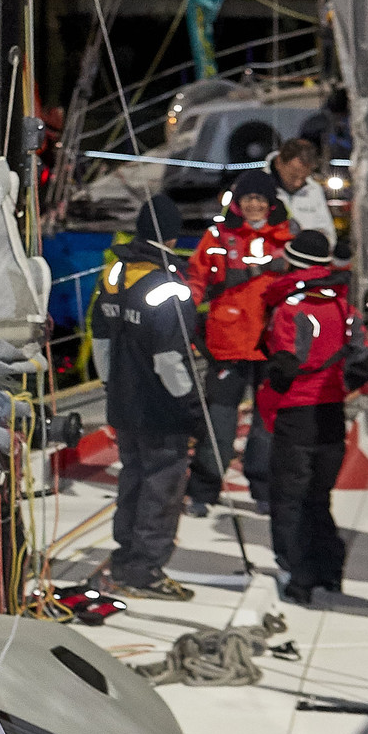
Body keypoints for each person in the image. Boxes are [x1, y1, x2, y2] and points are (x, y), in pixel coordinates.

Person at [92, 196, 203, 601]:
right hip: (160, 407)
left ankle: (125, 556)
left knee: (133, 477)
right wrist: (191, 406)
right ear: (171, 236)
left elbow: (101, 342)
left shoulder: (114, 274)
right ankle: (145, 570)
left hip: (123, 401)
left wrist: (112, 386)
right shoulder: (170, 286)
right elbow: (169, 359)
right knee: (163, 485)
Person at [255, 227, 368, 607]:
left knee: (289, 499)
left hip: (295, 415)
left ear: (294, 263)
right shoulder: (344, 306)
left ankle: (298, 577)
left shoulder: (290, 308)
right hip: (331, 414)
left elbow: (285, 366)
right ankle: (329, 571)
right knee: (319, 497)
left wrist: (269, 398)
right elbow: (361, 360)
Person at [185, 168, 291, 517]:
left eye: (260, 199)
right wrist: (184, 311)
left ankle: (263, 486)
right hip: (227, 345)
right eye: (248, 198)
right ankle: (203, 490)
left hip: (272, 344)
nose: (253, 205)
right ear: (238, 202)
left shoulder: (288, 237)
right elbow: (196, 277)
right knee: (219, 422)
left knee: (267, 423)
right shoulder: (217, 236)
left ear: (271, 202)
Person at [266, 135, 336, 241]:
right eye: (293, 176)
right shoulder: (258, 188)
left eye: (304, 177)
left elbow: (329, 234)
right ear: (279, 163)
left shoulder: (314, 190)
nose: (298, 183)